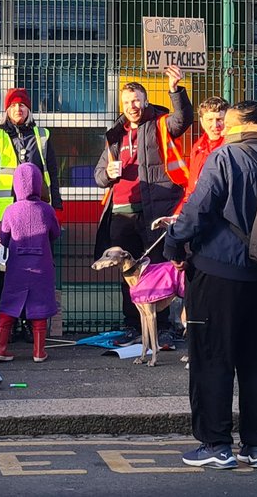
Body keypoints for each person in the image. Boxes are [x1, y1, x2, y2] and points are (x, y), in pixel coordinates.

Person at [164, 100, 257, 470]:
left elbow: (197, 210)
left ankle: (216, 444)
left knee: (213, 359)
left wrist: (174, 244)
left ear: (240, 124)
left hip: (221, 275)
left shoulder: (224, 158)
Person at [95, 67, 193, 347]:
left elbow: (182, 119)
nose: (132, 106)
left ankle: (161, 327)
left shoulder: (161, 123)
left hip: (154, 212)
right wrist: (108, 175)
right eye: (127, 102)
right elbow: (99, 175)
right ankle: (132, 324)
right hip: (121, 213)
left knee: (159, 269)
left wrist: (175, 89)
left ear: (146, 100)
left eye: (136, 100)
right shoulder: (115, 134)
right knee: (129, 273)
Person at [0, 86, 62, 339]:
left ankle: (29, 323)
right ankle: (10, 324)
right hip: (6, 215)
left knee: (35, 271)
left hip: (37, 214)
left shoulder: (43, 136)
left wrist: (56, 207)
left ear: (29, 109)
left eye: (23, 105)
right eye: (13, 105)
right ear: (6, 109)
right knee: (3, 271)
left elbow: (53, 173)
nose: (18, 108)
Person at [0, 163, 61, 363]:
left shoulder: (10, 210)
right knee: (39, 306)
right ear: (39, 184)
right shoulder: (47, 210)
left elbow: (3, 238)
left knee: (9, 305)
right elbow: (55, 233)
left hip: (16, 266)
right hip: (42, 265)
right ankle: (39, 352)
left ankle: (0, 348)